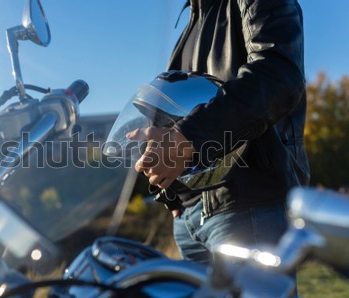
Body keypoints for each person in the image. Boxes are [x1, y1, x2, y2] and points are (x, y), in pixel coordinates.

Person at [126, 0, 310, 264]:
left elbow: (276, 76)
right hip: (188, 219)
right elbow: (183, 111)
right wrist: (174, 197)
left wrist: (187, 136)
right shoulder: (193, 20)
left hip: (248, 203)